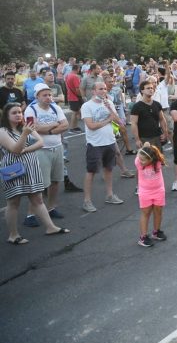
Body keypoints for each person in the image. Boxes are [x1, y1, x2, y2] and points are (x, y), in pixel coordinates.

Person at [1, 102, 70, 245]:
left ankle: (50, 227)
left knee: (37, 199)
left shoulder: (25, 127)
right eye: (14, 113)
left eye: (20, 112)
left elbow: (40, 142)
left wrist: (26, 149)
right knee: (13, 202)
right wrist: (25, 135)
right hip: (14, 168)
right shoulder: (3, 131)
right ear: (6, 116)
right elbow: (14, 149)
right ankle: (13, 235)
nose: (19, 115)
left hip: (31, 166)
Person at [23, 83, 69, 225]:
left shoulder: (55, 107)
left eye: (49, 95)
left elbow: (65, 125)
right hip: (40, 150)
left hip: (57, 147)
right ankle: (30, 214)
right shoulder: (31, 109)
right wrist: (54, 126)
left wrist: (47, 130)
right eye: (45, 95)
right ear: (37, 96)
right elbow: (33, 128)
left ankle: (51, 207)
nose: (48, 97)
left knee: (55, 181)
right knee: (40, 184)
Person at [80, 82, 124, 212]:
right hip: (95, 144)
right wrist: (107, 120)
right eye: (100, 89)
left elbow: (119, 122)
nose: (103, 91)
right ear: (93, 91)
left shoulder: (109, 103)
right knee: (91, 171)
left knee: (109, 169)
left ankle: (110, 195)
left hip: (109, 141)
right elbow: (91, 126)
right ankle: (87, 201)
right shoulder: (87, 106)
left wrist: (110, 110)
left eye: (105, 89)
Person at [134, 143, 167, 247]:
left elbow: (155, 152)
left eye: (144, 160)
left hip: (159, 190)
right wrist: (144, 146)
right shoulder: (138, 162)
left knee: (158, 211)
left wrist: (150, 147)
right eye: (140, 159)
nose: (141, 161)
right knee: (146, 213)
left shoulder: (157, 162)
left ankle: (156, 232)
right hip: (145, 192)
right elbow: (141, 154)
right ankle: (143, 237)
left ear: (151, 159)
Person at [130, 80, 168, 150]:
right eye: (148, 88)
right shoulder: (137, 106)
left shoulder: (157, 104)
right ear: (142, 91)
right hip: (144, 138)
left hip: (157, 136)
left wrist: (165, 133)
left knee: (159, 160)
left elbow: (162, 119)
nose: (151, 90)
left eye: (151, 88)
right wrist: (137, 140)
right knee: (146, 160)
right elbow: (134, 124)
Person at [65, 64, 83, 131]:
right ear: (78, 69)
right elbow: (77, 89)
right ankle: (72, 127)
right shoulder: (75, 76)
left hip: (70, 95)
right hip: (75, 97)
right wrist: (81, 95)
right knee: (75, 113)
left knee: (76, 112)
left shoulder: (68, 75)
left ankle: (75, 126)